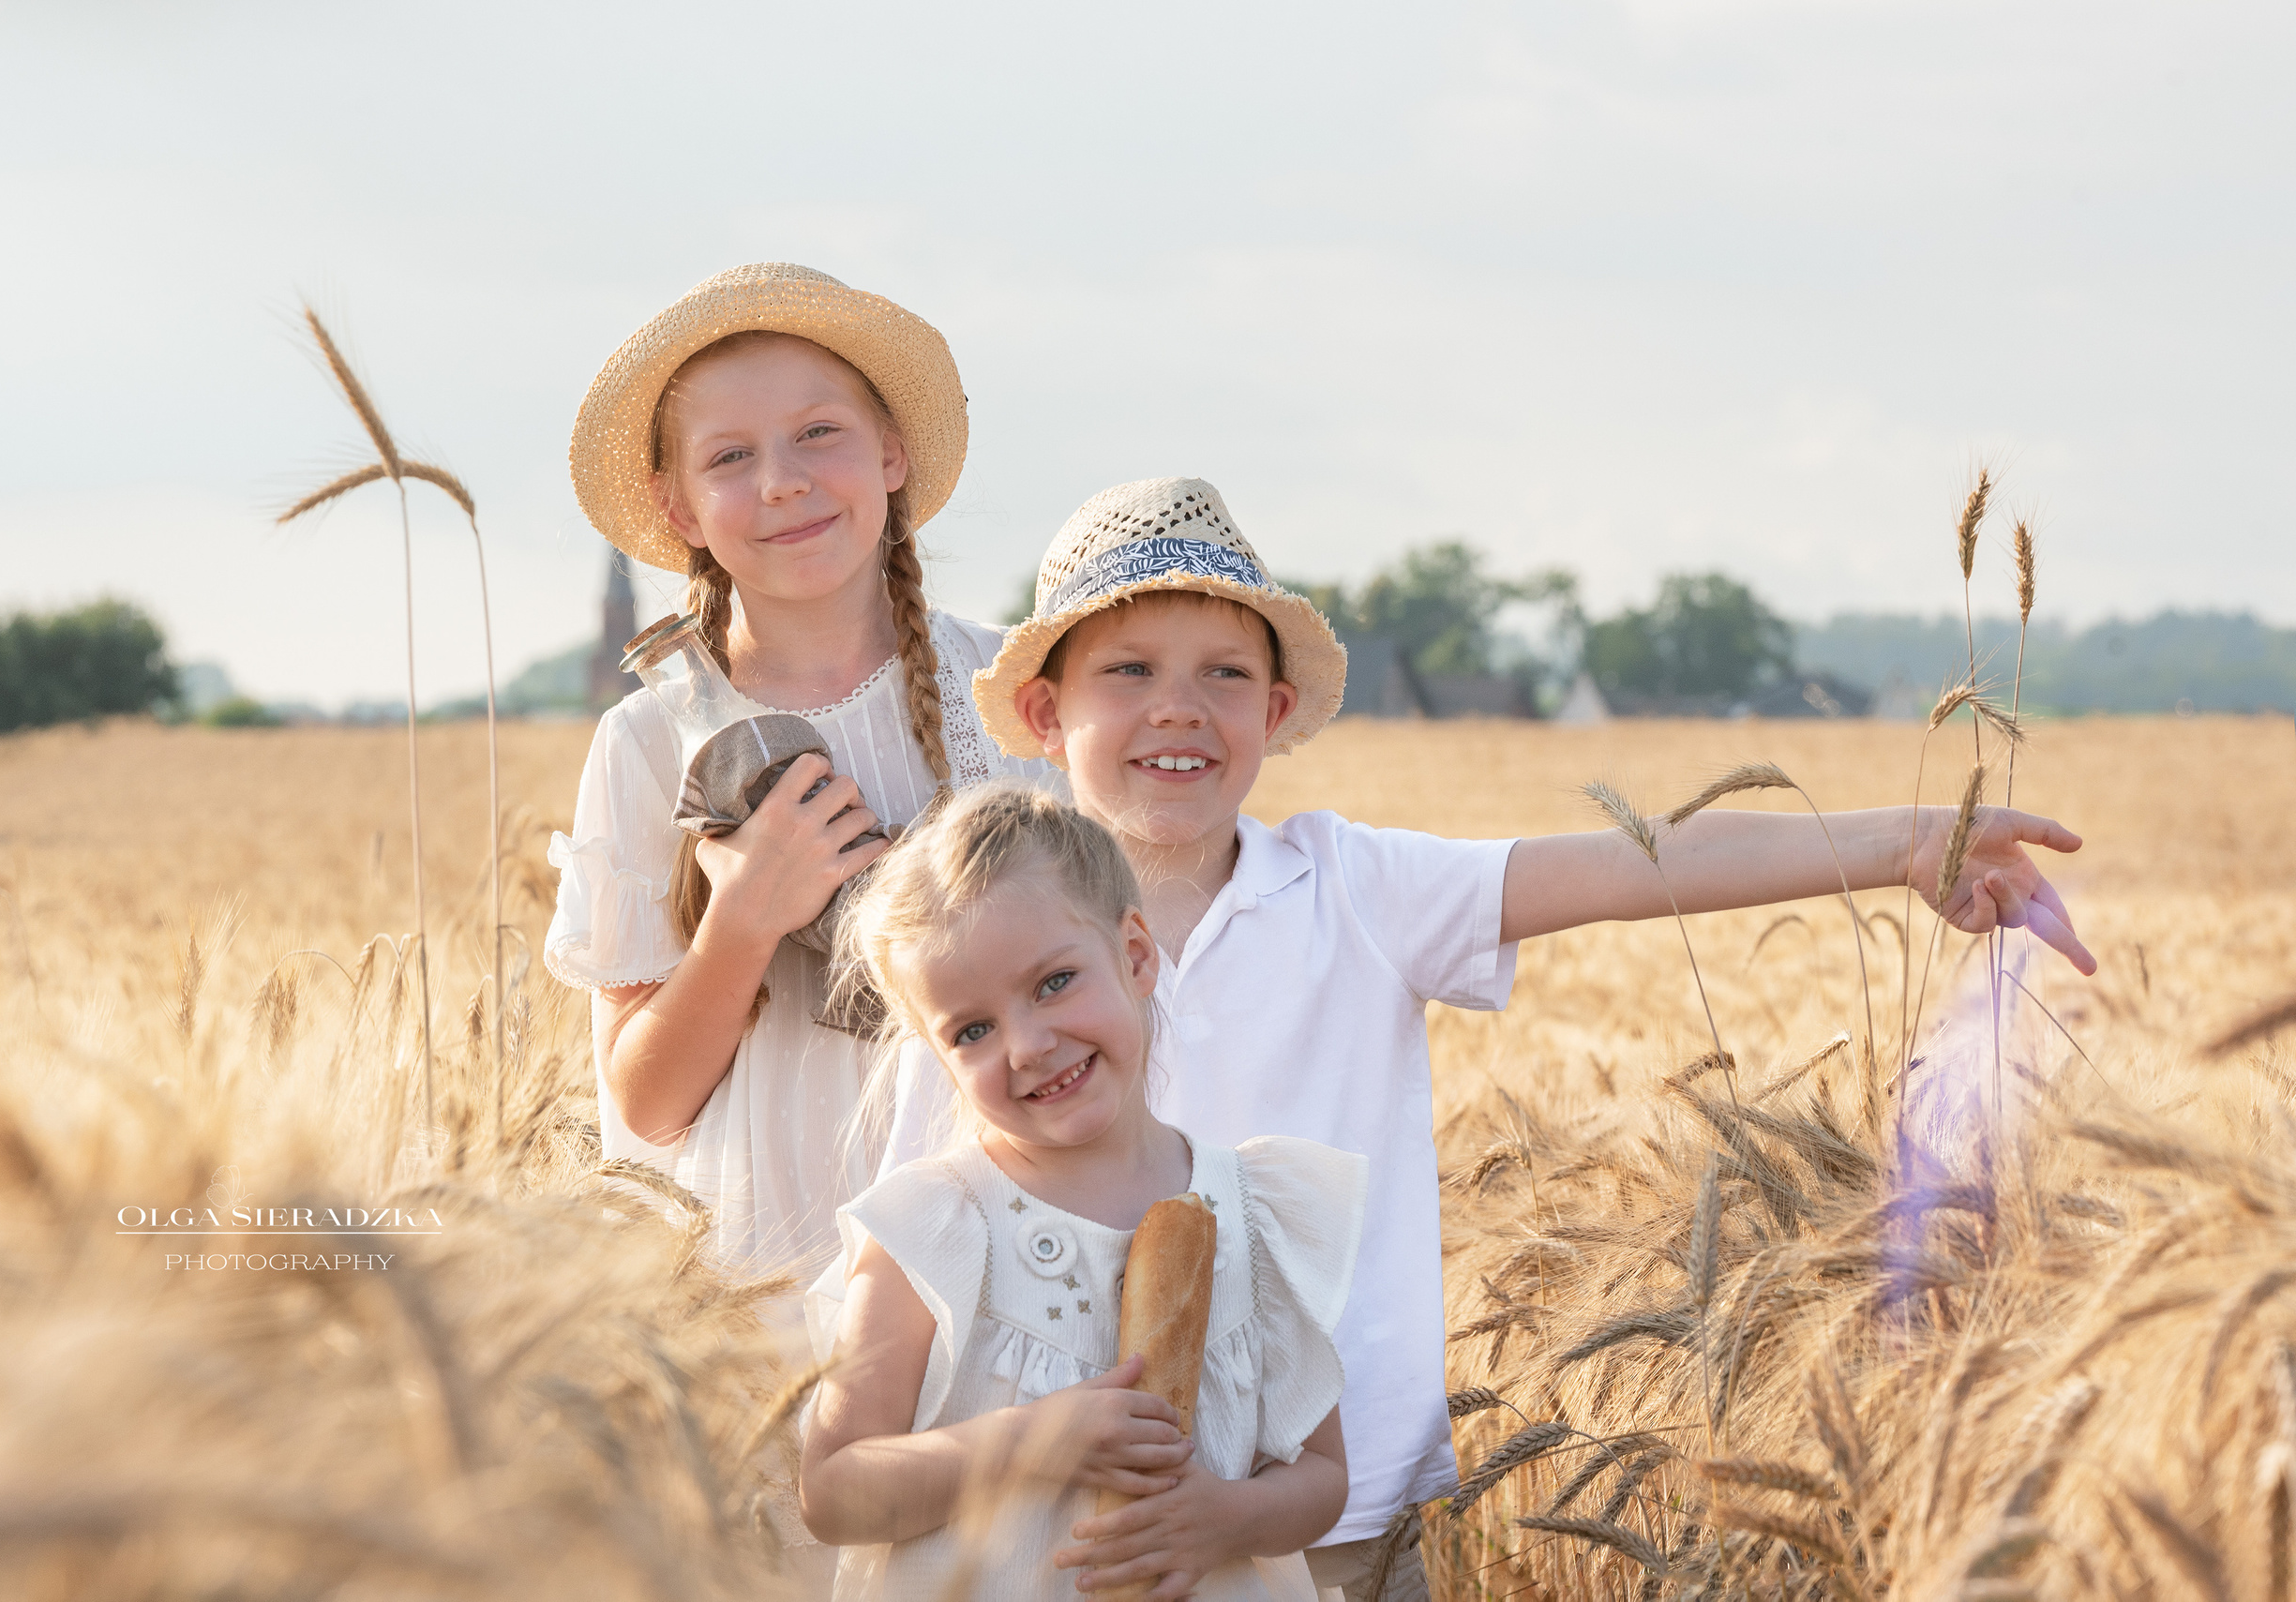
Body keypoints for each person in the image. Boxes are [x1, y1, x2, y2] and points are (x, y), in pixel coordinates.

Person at [867, 475, 2097, 1600]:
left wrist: (1899, 843)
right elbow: (933, 1228)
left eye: (1224, 676)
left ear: (1278, 708)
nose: (1178, 709)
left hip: (1349, 1515)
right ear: (1042, 710)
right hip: (1079, 1529)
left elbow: (1635, 863)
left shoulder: (1357, 888)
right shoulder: (990, 949)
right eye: (1126, 671)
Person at [542, 262, 1061, 1276]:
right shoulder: (649, 743)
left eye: (819, 432)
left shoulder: (1015, 691)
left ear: (891, 452)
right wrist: (742, 920)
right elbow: (643, 1103)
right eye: (729, 456)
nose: (782, 479)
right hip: (771, 1257)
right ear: (678, 504)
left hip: (1006, 1244)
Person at [803, 785, 1365, 1601]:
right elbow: (834, 1490)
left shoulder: (1250, 1208)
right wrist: (1028, 1440)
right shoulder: (934, 1227)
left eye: (1055, 981)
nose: (1028, 1045)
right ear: (935, 1050)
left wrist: (1229, 1517)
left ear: (1136, 955)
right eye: (971, 1030)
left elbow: (1321, 1473)